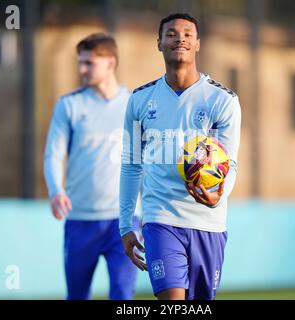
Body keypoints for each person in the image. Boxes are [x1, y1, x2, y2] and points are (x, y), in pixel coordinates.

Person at [119, 13, 242, 300]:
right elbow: (131, 164)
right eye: (172, 33)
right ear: (159, 44)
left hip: (208, 224)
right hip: (160, 219)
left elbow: (230, 162)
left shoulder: (223, 101)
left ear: (198, 44)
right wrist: (126, 224)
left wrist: (219, 195)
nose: (180, 38)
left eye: (188, 33)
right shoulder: (139, 100)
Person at [44, 33, 137, 300]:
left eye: (89, 63)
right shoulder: (69, 105)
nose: (82, 69)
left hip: (126, 222)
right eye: (80, 63)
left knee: (122, 295)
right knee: (77, 295)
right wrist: (55, 190)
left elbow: (149, 159)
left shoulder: (135, 104)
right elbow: (53, 153)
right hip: (80, 220)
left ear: (110, 63)